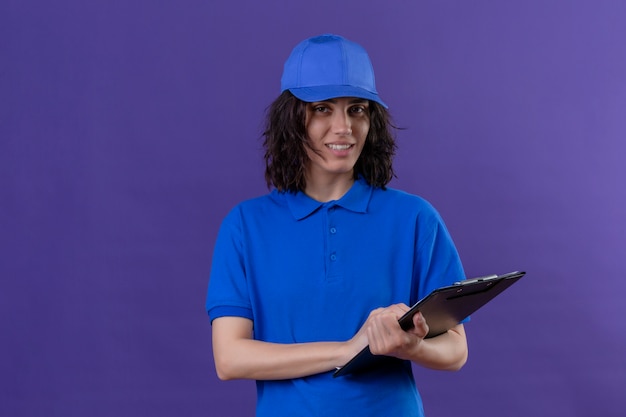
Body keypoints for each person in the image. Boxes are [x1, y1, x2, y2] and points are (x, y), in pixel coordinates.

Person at [206, 33, 468, 417]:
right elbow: (229, 357)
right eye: (323, 109)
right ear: (292, 118)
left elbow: (456, 349)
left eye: (357, 109)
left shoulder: (414, 219)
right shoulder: (245, 226)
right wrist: (350, 349)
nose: (343, 127)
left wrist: (412, 347)